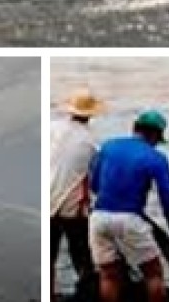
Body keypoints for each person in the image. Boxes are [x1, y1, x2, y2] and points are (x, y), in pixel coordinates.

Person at [88, 110, 169, 302]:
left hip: (98, 217)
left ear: (135, 128)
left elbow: (94, 184)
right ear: (155, 135)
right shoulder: (155, 157)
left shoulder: (108, 146)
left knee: (109, 275)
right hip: (129, 219)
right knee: (153, 273)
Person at [50, 88, 105, 299]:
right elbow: (97, 177)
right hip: (73, 207)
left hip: (47, 201)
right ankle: (86, 295)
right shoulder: (91, 140)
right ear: (91, 113)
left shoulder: (52, 128)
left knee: (49, 256)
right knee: (82, 257)